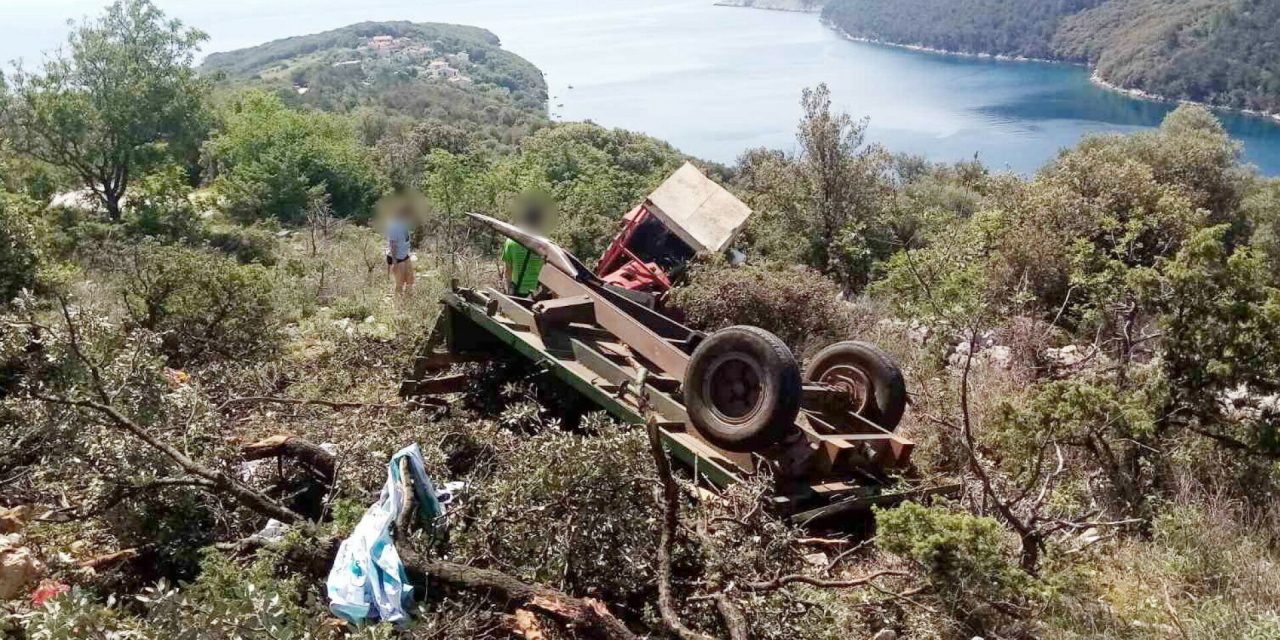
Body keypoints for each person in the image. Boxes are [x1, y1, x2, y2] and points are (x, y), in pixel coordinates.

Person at [501, 204, 547, 297]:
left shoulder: (511, 242)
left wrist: (508, 294)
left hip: (517, 293)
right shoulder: (545, 245)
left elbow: (507, 272)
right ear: (539, 221)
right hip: (537, 294)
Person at [386, 204, 415, 296]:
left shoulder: (404, 224)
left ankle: (408, 302)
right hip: (397, 257)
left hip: (405, 255)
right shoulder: (394, 226)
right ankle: (398, 306)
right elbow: (392, 244)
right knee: (400, 283)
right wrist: (394, 261)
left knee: (410, 280)